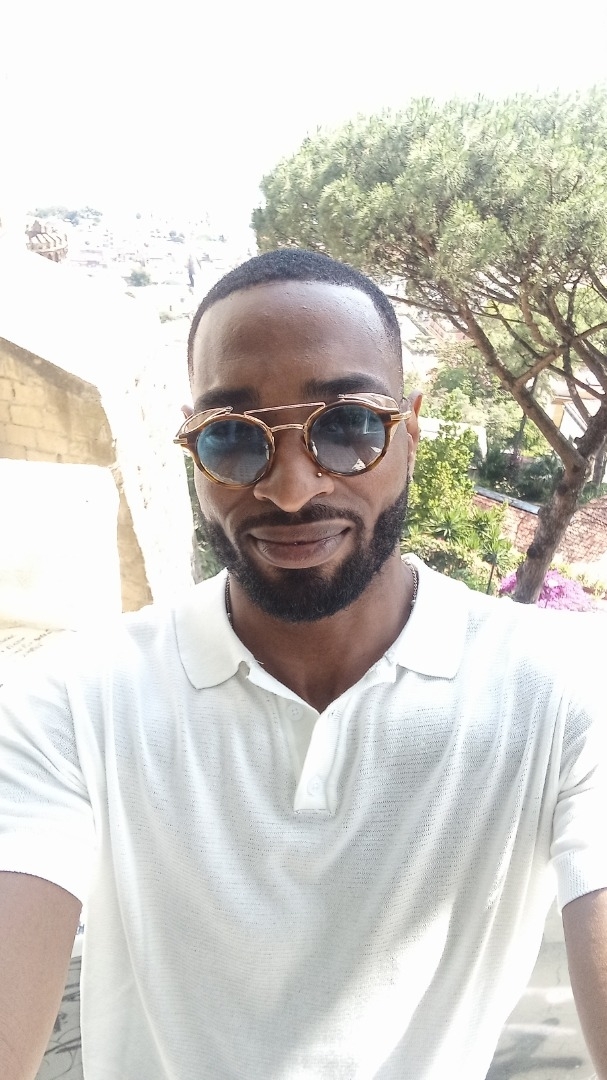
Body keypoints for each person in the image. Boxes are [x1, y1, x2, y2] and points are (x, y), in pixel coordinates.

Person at [0, 248, 606, 1080]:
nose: (290, 490)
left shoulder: (563, 694)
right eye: (232, 437)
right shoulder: (72, 703)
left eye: (347, 426)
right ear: (193, 449)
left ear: (409, 432)